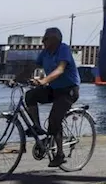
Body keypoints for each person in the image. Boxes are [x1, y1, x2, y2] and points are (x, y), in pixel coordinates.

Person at [25, 27, 81, 167]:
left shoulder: (63, 49)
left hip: (69, 90)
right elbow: (33, 67)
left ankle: (60, 154)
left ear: (55, 40)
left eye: (45, 38)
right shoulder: (45, 53)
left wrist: (43, 81)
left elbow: (60, 69)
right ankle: (37, 127)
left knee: (54, 119)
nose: (43, 41)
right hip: (54, 89)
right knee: (30, 95)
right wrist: (15, 79)